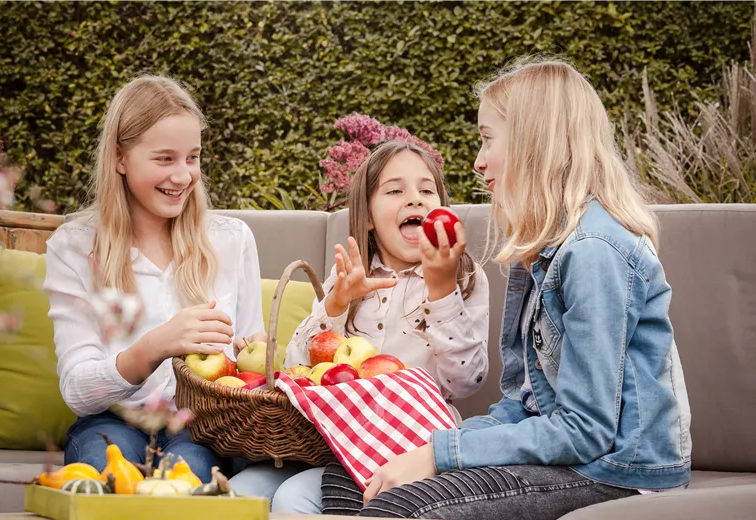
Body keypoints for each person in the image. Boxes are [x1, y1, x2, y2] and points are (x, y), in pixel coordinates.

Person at [320, 58, 692, 519]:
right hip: (567, 453)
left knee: (403, 504)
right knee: (353, 472)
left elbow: (587, 431)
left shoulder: (594, 252)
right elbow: (524, 403)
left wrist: (438, 453)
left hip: (610, 468)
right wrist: (428, 445)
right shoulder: (540, 251)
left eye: (487, 139)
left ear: (536, 143)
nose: (477, 161)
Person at [229, 139, 491, 514]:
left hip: (412, 444)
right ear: (367, 217)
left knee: (294, 498)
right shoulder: (353, 279)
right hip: (333, 440)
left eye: (427, 189)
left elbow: (465, 382)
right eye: (396, 190)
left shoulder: (462, 278)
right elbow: (294, 366)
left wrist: (441, 290)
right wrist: (337, 303)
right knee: (237, 492)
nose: (415, 199)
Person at [43, 75, 265, 483]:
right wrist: (155, 346)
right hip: (111, 422)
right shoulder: (73, 248)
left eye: (192, 158)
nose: (182, 176)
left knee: (188, 476)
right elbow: (76, 390)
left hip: (203, 428)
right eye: (165, 159)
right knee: (103, 473)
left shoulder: (231, 241)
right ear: (120, 158)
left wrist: (257, 357)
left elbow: (255, 357)